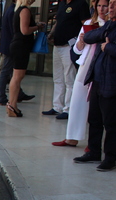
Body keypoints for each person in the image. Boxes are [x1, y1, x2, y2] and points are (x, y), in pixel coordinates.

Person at [52, 0, 107, 148]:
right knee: (77, 101)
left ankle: (94, 143)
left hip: (101, 67)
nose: (102, 9)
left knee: (97, 107)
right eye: (99, 6)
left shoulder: (110, 24)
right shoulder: (89, 22)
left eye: (105, 6)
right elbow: (77, 50)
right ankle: (72, 137)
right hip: (85, 65)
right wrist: (81, 43)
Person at [72, 0, 116, 171]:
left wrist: (109, 46)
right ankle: (94, 151)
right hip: (97, 79)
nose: (110, 7)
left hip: (111, 82)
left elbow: (102, 43)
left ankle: (110, 157)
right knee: (94, 119)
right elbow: (89, 36)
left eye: (113, 4)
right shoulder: (109, 25)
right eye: (108, 4)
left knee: (110, 122)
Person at [42, 0, 91, 119]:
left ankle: (68, 108)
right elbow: (58, 22)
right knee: (58, 78)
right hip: (57, 45)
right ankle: (57, 106)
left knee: (69, 77)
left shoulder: (80, 4)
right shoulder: (62, 4)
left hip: (70, 46)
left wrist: (80, 41)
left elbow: (85, 24)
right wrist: (51, 33)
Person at [7, 0, 45, 117]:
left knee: (17, 76)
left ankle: (12, 105)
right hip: (21, 46)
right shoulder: (25, 10)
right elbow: (25, 30)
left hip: (18, 45)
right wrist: (37, 26)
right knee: (17, 77)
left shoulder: (18, 9)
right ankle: (12, 105)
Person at [0, 0, 34, 105]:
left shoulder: (11, 9)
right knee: (7, 71)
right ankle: (1, 96)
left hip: (9, 44)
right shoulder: (16, 10)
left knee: (13, 73)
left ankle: (18, 94)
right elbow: (19, 30)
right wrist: (36, 27)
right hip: (12, 45)